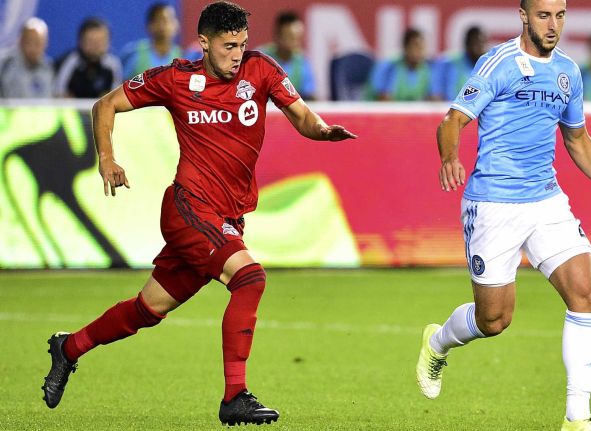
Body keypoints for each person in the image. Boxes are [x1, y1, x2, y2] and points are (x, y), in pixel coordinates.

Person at [41, 1, 356, 426]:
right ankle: (235, 396)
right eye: (228, 46)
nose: (237, 54)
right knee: (250, 278)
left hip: (225, 215)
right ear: (204, 43)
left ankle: (69, 347)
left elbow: (300, 115)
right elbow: (105, 106)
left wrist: (322, 131)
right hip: (188, 207)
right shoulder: (175, 78)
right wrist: (107, 159)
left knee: (147, 309)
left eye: (242, 44)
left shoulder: (260, 69)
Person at [415, 1, 591, 431]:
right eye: (543, 15)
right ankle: (438, 342)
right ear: (524, 16)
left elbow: (577, 139)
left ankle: (576, 417)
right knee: (494, 320)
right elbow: (451, 121)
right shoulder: (498, 62)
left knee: (586, 293)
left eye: (560, 15)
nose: (553, 24)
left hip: (545, 201)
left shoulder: (568, 73)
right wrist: (450, 157)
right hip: (494, 205)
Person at [54, 17, 122, 98]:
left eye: (101, 41)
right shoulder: (69, 61)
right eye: (91, 41)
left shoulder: (113, 64)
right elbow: (58, 93)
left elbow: (115, 96)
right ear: (81, 41)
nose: (96, 46)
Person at [260, 11, 316, 100]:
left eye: (298, 38)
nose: (296, 43)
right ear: (278, 36)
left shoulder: (303, 61)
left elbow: (309, 95)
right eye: (291, 37)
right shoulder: (260, 59)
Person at [120, 2, 184, 80]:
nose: (163, 25)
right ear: (149, 25)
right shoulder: (134, 54)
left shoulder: (183, 56)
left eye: (169, 20)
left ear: (177, 24)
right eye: (159, 20)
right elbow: (122, 86)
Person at [369, 28, 435, 101]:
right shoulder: (389, 67)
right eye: (416, 47)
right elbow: (383, 100)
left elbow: (432, 98)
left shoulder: (425, 70)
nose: (420, 51)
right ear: (405, 48)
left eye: (423, 48)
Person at [0, 17, 54, 98]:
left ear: (45, 44)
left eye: (37, 43)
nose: (32, 48)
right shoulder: (4, 64)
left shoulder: (49, 67)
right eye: (29, 42)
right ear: (20, 40)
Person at [431, 26, 488, 101]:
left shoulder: (488, 66)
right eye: (476, 43)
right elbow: (450, 94)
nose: (480, 48)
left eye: (482, 43)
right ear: (467, 44)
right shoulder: (453, 64)